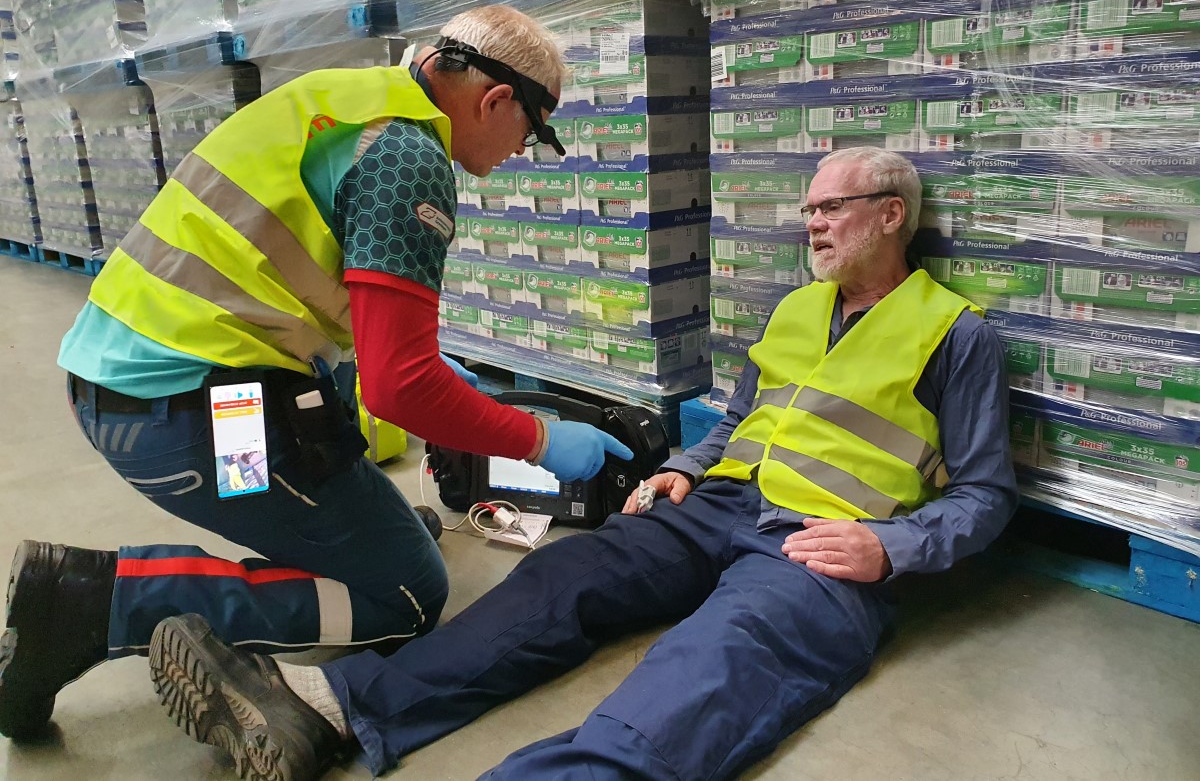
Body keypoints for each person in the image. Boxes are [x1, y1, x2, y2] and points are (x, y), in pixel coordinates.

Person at [147, 146, 1019, 780]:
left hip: (818, 545)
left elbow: (984, 494)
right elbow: (746, 418)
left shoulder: (956, 333)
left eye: (832, 209)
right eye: (809, 212)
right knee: (565, 576)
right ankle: (335, 706)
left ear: (892, 214)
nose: (813, 225)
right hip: (715, 506)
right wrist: (686, 465)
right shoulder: (796, 308)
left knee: (710, 663)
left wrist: (889, 550)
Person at [0, 5, 633, 741]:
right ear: (497, 100)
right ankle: (94, 602)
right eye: (532, 132)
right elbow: (402, 389)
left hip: (128, 379)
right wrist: (537, 441)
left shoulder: (345, 100)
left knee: (383, 496)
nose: (523, 150)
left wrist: (402, 358)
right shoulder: (407, 158)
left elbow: (290, 275)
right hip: (187, 415)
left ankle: (343, 527)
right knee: (409, 591)